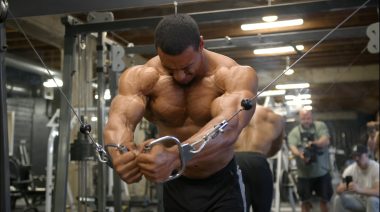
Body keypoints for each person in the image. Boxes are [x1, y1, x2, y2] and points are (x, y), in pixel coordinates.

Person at [104, 13, 258, 212]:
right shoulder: (142, 77)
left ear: (201, 44)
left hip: (221, 183)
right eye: (170, 67)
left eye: (187, 67)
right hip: (175, 183)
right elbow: (120, 121)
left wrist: (177, 155)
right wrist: (120, 154)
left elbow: (230, 126)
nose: (179, 76)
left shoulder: (232, 74)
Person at [234, 105, 284, 212]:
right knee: (263, 208)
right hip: (258, 161)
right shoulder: (273, 117)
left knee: (238, 207)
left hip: (235, 160)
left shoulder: (233, 112)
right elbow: (276, 146)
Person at [287, 109, 333, 212]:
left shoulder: (320, 126)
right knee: (305, 202)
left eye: (308, 118)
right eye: (303, 118)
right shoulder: (294, 132)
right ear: (299, 118)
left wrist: (313, 144)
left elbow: (325, 140)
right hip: (304, 175)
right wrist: (300, 154)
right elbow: (292, 147)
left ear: (312, 117)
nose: (306, 120)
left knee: (325, 201)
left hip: (322, 172)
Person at [333, 144, 379, 212]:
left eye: (359, 155)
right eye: (354, 156)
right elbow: (340, 190)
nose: (356, 158)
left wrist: (359, 189)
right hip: (359, 201)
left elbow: (378, 192)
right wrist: (345, 187)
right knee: (338, 199)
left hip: (376, 202)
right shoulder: (350, 170)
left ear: (366, 155)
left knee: (372, 200)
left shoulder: (376, 168)